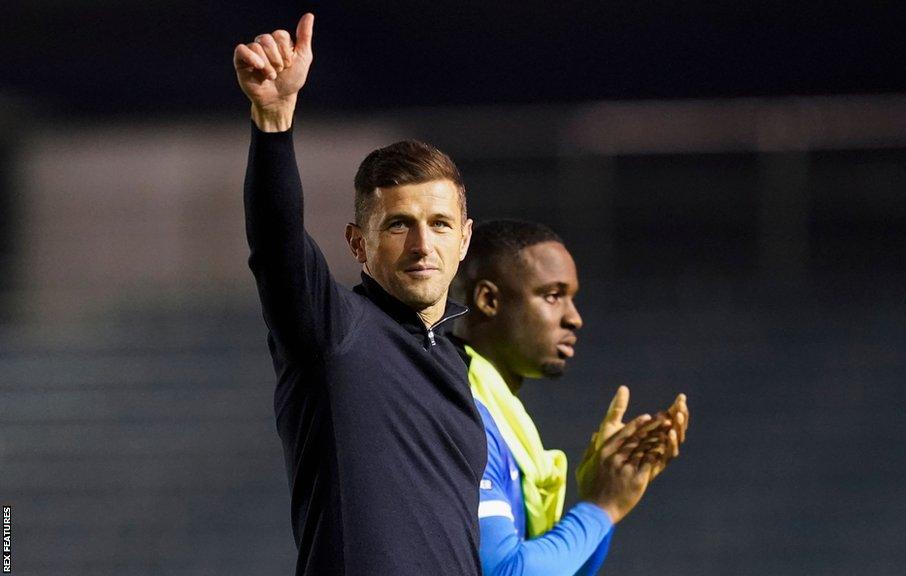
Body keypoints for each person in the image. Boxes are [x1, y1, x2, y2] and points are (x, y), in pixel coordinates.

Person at [234, 14, 486, 575]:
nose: (423, 244)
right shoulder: (334, 330)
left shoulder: (457, 362)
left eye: (440, 224)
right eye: (399, 224)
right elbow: (277, 248)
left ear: (465, 240)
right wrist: (273, 122)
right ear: (357, 243)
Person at [450, 220, 689, 576]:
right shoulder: (463, 412)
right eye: (552, 295)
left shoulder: (503, 414)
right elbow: (508, 572)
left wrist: (600, 500)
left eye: (571, 297)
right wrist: (600, 507)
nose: (574, 318)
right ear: (489, 300)